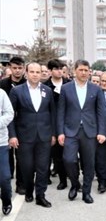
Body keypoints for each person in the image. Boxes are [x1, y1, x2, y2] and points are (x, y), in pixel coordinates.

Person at [57, 60, 106, 204]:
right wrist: (60, 132)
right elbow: (61, 111)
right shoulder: (66, 88)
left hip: (90, 131)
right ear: (75, 71)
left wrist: (102, 131)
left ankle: (86, 192)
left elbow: (101, 112)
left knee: (89, 163)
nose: (84, 72)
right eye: (81, 70)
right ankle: (74, 184)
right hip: (70, 131)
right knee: (68, 159)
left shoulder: (96, 89)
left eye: (86, 70)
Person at [8, 63, 56, 208]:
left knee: (42, 167)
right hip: (24, 136)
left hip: (44, 136)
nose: (35, 74)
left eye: (38, 72)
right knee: (26, 167)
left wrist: (53, 133)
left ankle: (40, 195)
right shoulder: (17, 91)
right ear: (26, 73)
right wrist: (12, 135)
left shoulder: (47, 90)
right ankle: (29, 190)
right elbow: (11, 115)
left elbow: (52, 113)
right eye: (32, 72)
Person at [0, 56, 26, 195]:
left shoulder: (27, 85)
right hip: (4, 125)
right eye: (14, 68)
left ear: (24, 68)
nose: (17, 71)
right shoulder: (2, 85)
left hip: (20, 124)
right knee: (6, 155)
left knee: (21, 156)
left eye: (20, 68)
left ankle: (20, 184)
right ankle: (6, 181)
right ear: (10, 68)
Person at [44, 59, 71, 190]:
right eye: (56, 68)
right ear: (50, 71)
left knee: (71, 155)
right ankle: (62, 180)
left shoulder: (70, 84)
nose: (59, 71)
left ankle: (74, 180)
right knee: (58, 155)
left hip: (71, 123)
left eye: (61, 68)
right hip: (54, 124)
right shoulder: (45, 87)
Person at [0, 88, 12, 215]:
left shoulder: (2, 94)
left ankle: (6, 200)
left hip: (1, 143)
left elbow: (9, 113)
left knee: (4, 177)